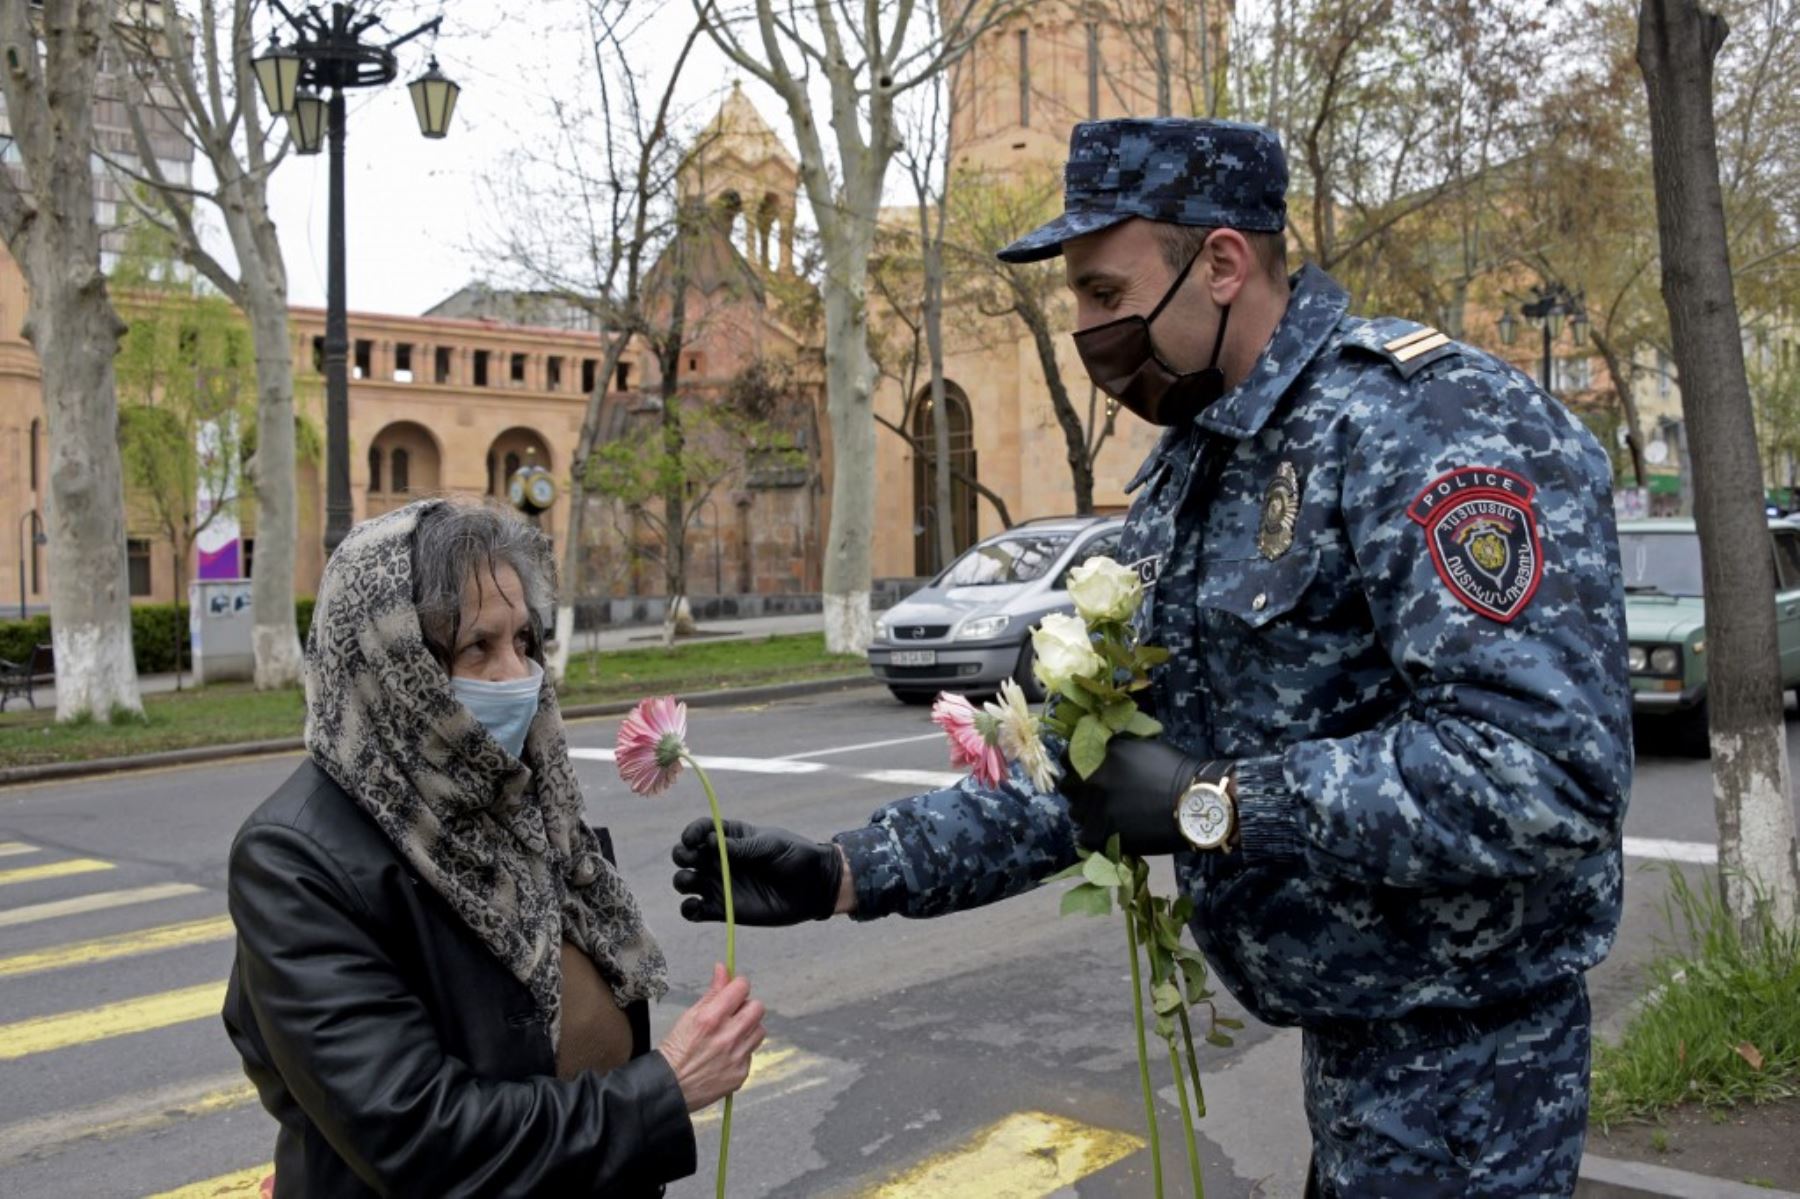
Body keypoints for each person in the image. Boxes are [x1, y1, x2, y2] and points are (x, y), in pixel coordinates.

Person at [672, 119, 1632, 1197]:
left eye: (1103, 291)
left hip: (1476, 1064)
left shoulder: (1428, 423)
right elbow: (1104, 762)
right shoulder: (1198, 466)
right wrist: (854, 869)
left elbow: (1545, 772)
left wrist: (1215, 801)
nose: (1086, 330)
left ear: (1220, 264)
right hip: (1358, 1055)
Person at [225, 498, 765, 1197]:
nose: (518, 676)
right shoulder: (294, 863)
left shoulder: (527, 802)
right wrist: (665, 1087)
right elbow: (420, 1136)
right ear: (392, 665)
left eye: (524, 641)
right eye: (476, 647)